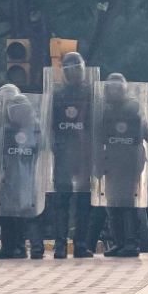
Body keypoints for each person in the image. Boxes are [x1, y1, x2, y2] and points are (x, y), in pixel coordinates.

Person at [93, 73, 148, 258]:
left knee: (127, 204)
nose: (115, 92)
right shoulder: (104, 110)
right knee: (112, 204)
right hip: (112, 161)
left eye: (118, 88)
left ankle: (131, 242)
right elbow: (97, 137)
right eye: (112, 89)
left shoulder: (134, 109)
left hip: (129, 162)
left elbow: (145, 134)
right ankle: (119, 242)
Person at [48, 52, 96, 259]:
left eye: (77, 68)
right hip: (63, 151)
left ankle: (80, 243)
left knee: (84, 199)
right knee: (62, 199)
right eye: (71, 69)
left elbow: (94, 124)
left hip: (84, 152)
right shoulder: (57, 93)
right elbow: (49, 124)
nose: (75, 72)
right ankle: (60, 244)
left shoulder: (90, 92)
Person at [0, 92, 48, 260]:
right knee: (6, 215)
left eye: (21, 110)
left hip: (30, 177)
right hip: (9, 177)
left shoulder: (35, 128)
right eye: (13, 111)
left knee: (31, 215)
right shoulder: (5, 130)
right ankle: (10, 247)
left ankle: (36, 248)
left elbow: (43, 149)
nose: (17, 114)